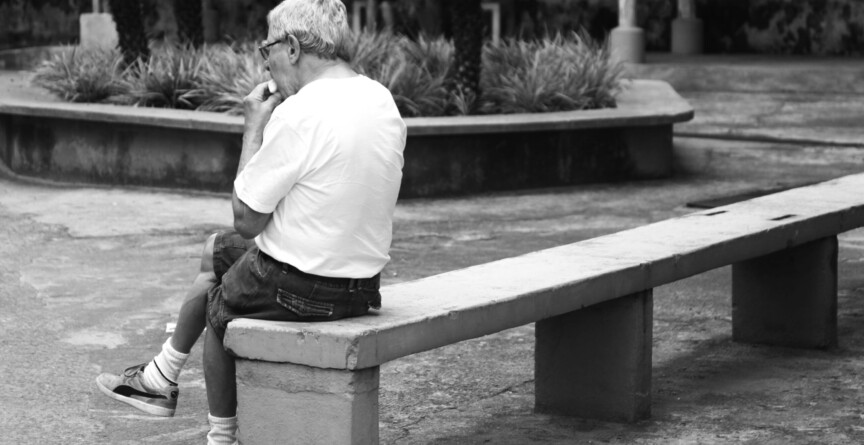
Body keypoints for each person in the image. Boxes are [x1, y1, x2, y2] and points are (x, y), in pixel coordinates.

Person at [95, 0, 407, 443]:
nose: (264, 59)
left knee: (219, 305)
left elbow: (246, 219)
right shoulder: (380, 99)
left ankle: (219, 438)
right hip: (361, 285)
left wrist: (253, 128)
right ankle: (160, 378)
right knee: (214, 250)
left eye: (268, 47)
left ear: (293, 47)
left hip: (306, 288)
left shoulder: (302, 112)